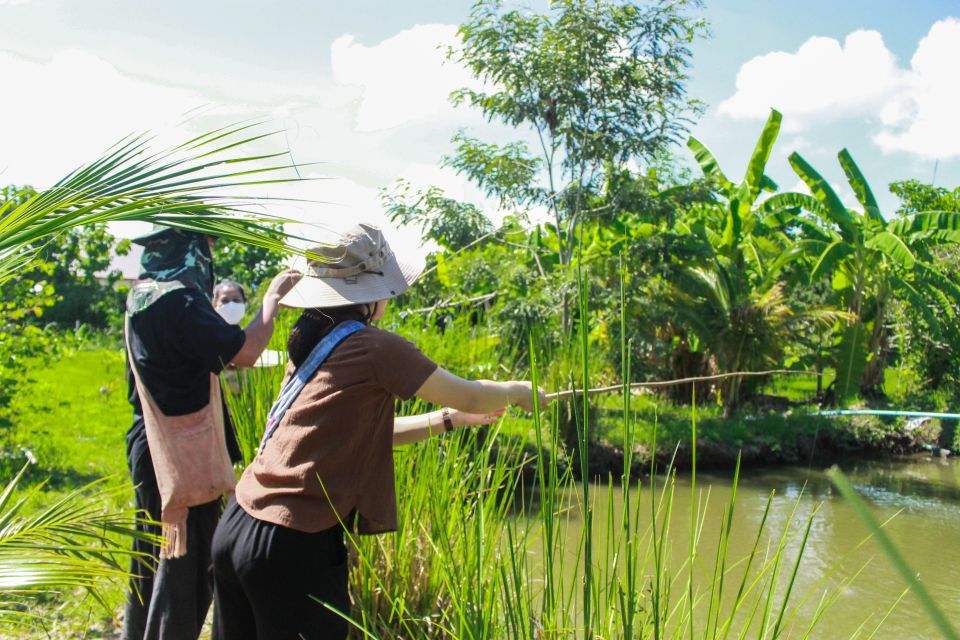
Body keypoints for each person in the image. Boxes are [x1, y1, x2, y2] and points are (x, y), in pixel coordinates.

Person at [210, 223, 546, 640]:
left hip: (236, 527)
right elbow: (473, 395)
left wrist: (447, 420)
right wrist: (519, 391)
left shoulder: (310, 343)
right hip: (292, 545)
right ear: (372, 292)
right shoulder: (377, 348)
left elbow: (356, 437)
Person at [122, 226, 301, 640]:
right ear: (191, 251)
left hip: (149, 445)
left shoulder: (140, 296)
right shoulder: (181, 301)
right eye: (207, 247)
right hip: (186, 456)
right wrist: (271, 302)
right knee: (184, 570)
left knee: (151, 559)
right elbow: (245, 350)